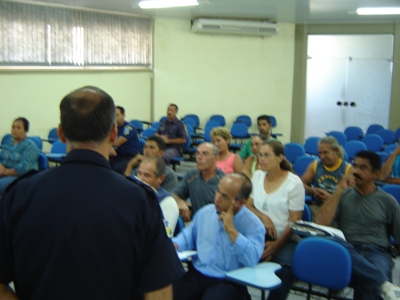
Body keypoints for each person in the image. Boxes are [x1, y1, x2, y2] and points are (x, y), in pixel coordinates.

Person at [0, 86, 183, 300]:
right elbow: (159, 291)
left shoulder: (20, 195)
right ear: (114, 134)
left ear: (61, 133)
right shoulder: (139, 201)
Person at [317, 151, 400, 300]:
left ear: (375, 174)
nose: (356, 171)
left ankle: (379, 282)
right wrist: (339, 191)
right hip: (347, 248)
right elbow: (320, 223)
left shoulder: (388, 201)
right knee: (332, 239)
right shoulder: (343, 195)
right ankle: (383, 284)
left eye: (363, 168)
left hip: (376, 251)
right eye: (355, 166)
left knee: (370, 280)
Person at [172, 173, 265, 300]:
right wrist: (176, 244)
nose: (217, 198)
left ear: (240, 202)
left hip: (228, 280)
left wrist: (232, 231)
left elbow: (251, 259)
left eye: (224, 196)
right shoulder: (205, 212)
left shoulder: (253, 225)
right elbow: (188, 236)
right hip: (198, 274)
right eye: (218, 191)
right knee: (165, 293)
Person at [246, 140, 304, 300]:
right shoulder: (257, 176)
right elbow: (248, 205)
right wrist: (264, 217)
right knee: (232, 254)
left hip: (284, 239)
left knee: (285, 267)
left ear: (280, 158)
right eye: (260, 155)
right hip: (257, 235)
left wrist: (275, 247)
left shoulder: (293, 183)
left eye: (267, 155)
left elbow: (294, 222)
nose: (262, 159)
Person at [301, 136, 353, 218]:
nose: (322, 157)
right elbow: (301, 184)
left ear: (336, 151)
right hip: (316, 206)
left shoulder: (348, 169)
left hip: (337, 208)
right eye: (320, 153)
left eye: (325, 153)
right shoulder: (315, 165)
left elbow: (351, 198)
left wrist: (331, 198)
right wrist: (312, 190)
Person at [173, 142, 225, 221]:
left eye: (205, 154)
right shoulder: (192, 175)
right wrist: (180, 202)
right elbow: (174, 195)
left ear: (216, 158)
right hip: (195, 224)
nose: (199, 157)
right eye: (198, 153)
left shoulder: (223, 181)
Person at [136, 156, 179, 235]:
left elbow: (165, 236)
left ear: (161, 178)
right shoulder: (133, 194)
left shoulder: (167, 202)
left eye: (147, 175)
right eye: (139, 173)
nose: (140, 179)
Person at [0, 117, 39, 195]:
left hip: (20, 178)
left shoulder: (30, 147)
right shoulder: (10, 142)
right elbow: (1, 157)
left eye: (18, 128)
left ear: (25, 130)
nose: (15, 130)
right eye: (13, 127)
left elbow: (23, 168)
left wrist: (4, 172)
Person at [109, 106, 141, 174]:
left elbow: (116, 143)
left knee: (116, 169)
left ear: (123, 115)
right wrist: (110, 147)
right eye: (113, 115)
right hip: (118, 154)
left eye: (117, 115)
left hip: (130, 156)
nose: (114, 118)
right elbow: (107, 141)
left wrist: (110, 144)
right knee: (104, 163)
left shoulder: (129, 128)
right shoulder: (113, 127)